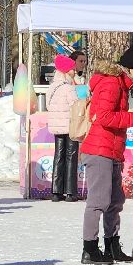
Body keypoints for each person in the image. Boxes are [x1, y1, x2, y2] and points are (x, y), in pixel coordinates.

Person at [81, 41, 133, 264]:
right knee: (99, 200)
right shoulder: (112, 84)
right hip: (99, 150)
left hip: (112, 150)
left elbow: (111, 114)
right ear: (131, 67)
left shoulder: (121, 85)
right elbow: (102, 116)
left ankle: (111, 245)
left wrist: (130, 115)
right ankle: (90, 248)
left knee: (115, 200)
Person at [45, 54, 81, 202]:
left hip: (56, 127)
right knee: (71, 157)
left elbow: (48, 106)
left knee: (58, 156)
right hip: (69, 126)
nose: (74, 72)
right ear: (67, 71)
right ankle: (70, 192)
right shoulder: (68, 88)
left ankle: (56, 191)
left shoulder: (52, 87)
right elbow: (76, 105)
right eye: (72, 69)